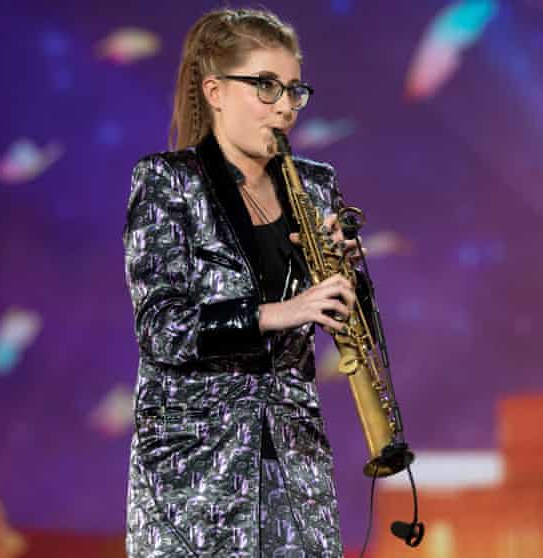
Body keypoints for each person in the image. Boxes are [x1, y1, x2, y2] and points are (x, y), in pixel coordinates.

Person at [122, 8, 360, 557]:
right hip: (194, 477)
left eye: (294, 90)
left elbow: (342, 319)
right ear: (215, 90)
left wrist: (350, 277)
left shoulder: (318, 187)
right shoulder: (167, 182)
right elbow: (162, 329)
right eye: (266, 86)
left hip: (295, 470)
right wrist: (279, 311)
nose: (284, 106)